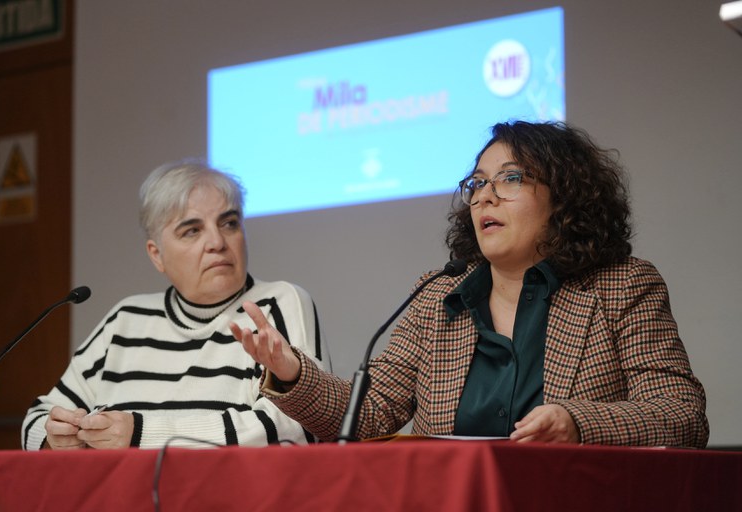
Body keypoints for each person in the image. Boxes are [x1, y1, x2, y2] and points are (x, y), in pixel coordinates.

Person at [232, 120, 709, 447]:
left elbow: (681, 413)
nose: (485, 197)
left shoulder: (621, 286)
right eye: (477, 184)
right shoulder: (439, 296)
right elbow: (371, 412)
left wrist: (576, 424)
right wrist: (291, 370)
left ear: (564, 198)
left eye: (511, 179)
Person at [22, 160, 328, 450]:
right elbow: (36, 419)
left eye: (230, 223)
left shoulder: (276, 303)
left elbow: (299, 426)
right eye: (192, 230)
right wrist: (56, 437)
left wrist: (141, 434)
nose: (217, 242)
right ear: (157, 255)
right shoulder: (127, 319)